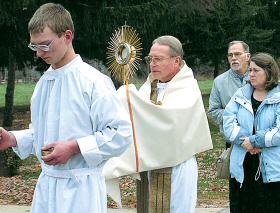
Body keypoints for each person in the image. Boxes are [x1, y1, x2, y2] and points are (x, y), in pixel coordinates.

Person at [0, 3, 131, 213]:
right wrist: (13, 139)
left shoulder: (93, 82)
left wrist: (74, 147)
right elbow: (41, 133)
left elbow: (120, 134)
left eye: (45, 45)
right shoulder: (44, 83)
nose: (39, 54)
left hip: (81, 191)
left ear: (67, 36)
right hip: (47, 188)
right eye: (34, 46)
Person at [136, 35, 210, 213]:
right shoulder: (148, 87)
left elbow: (168, 122)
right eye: (150, 59)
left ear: (176, 61)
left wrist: (135, 104)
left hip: (177, 166)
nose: (152, 64)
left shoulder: (188, 88)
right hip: (149, 164)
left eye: (158, 59)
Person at [223, 53, 280, 212]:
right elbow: (228, 122)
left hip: (272, 170)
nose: (251, 74)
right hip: (243, 166)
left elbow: (278, 131)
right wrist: (245, 142)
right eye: (250, 70)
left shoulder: (278, 96)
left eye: (256, 70)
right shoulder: (241, 94)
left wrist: (255, 141)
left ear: (268, 72)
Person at [208, 41, 250, 148]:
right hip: (233, 141)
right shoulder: (219, 81)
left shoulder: (259, 76)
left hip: (260, 140)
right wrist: (236, 117)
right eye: (230, 55)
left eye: (238, 54)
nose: (233, 58)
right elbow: (213, 111)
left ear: (247, 56)